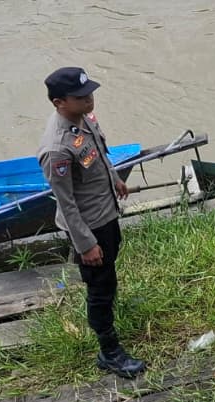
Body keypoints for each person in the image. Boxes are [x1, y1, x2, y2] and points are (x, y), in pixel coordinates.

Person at [38, 67, 146, 379]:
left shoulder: (83, 119)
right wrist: (86, 244)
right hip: (88, 226)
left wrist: (115, 179)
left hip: (105, 211)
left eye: (90, 93)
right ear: (59, 102)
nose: (89, 100)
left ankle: (110, 308)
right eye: (80, 97)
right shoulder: (57, 148)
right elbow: (66, 202)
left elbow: (99, 152)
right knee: (99, 287)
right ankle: (109, 352)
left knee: (107, 273)